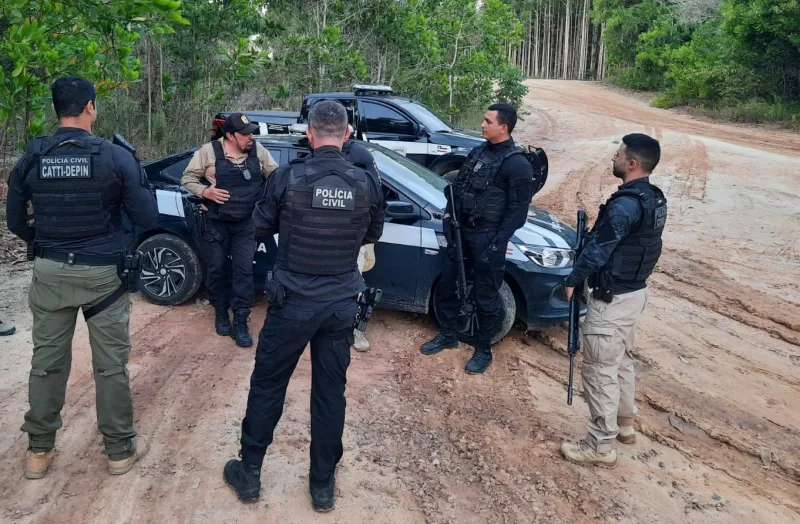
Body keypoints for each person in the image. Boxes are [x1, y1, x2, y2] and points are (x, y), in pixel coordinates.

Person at [222, 100, 385, 511]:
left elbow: (259, 226)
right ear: (347, 135)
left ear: (309, 134)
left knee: (268, 386)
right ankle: (322, 486)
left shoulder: (287, 178)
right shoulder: (366, 182)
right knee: (331, 395)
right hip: (339, 306)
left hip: (292, 302)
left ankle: (251, 475)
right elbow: (373, 232)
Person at [5, 76, 158, 479]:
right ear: (91, 107)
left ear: (56, 108)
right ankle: (119, 452)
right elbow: (148, 217)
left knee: (47, 363)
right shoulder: (115, 157)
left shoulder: (33, 156)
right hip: (103, 276)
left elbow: (16, 220)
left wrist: (48, 241)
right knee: (110, 367)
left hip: (50, 272)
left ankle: (38, 453)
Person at [561, 133, 667, 468]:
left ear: (632, 163)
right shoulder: (653, 198)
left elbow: (599, 248)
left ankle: (600, 445)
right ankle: (625, 425)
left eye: (619, 154)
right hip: (634, 293)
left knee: (598, 370)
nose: (614, 158)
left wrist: (573, 279)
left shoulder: (625, 205)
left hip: (611, 299)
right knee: (620, 362)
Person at [419, 103, 534, 374]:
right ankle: (448, 334)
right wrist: (448, 216)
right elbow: (458, 188)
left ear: (503, 127)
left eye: (487, 121)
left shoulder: (517, 164)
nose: (482, 125)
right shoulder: (479, 151)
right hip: (463, 232)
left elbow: (518, 212)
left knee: (486, 296)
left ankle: (483, 348)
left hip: (488, 237)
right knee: (449, 284)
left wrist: (497, 243)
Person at [181, 112, 278, 347]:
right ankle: (221, 312)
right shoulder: (209, 152)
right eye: (245, 134)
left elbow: (276, 176)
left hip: (246, 223)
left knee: (244, 271)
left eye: (251, 133)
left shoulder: (258, 151)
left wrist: (266, 202)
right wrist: (205, 192)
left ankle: (241, 320)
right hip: (216, 222)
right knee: (217, 269)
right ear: (232, 136)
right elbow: (187, 178)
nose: (250, 138)